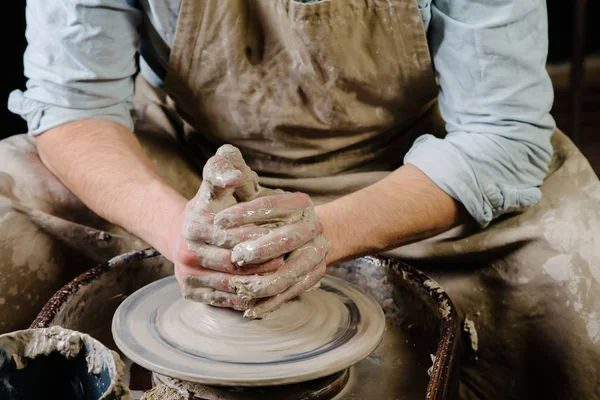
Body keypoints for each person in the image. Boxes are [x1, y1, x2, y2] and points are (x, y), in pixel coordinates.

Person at [2, 0, 599, 398]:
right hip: (186, 156)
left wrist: (323, 237)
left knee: (583, 260)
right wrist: (180, 232)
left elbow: (501, 130)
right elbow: (73, 103)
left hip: (409, 164)